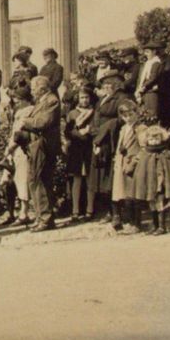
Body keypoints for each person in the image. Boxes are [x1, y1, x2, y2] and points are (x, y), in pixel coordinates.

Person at [19, 75, 61, 232]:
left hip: (43, 145)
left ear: (42, 88)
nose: (32, 91)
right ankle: (42, 217)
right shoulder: (42, 101)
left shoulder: (51, 100)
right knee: (36, 181)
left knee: (39, 181)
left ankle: (45, 218)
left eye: (34, 88)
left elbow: (43, 122)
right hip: (36, 144)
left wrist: (25, 121)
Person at [132, 125, 170, 235]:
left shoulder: (165, 153)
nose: (154, 141)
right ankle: (155, 226)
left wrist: (165, 182)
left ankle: (162, 227)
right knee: (152, 204)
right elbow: (141, 170)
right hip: (149, 184)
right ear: (147, 139)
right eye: (151, 139)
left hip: (160, 184)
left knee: (160, 203)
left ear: (161, 138)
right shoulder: (146, 153)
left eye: (156, 138)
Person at [89, 70, 129, 222]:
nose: (105, 86)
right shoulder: (102, 100)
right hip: (99, 139)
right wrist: (94, 130)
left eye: (108, 83)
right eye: (104, 83)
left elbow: (121, 119)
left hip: (112, 140)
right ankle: (108, 211)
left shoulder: (122, 98)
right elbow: (96, 116)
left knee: (112, 177)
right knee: (101, 177)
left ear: (116, 84)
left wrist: (105, 128)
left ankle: (117, 213)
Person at [0, 86, 34, 226]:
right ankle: (11, 212)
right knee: (7, 182)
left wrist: (8, 149)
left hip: (21, 149)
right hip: (14, 151)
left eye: (19, 99)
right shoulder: (19, 111)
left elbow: (18, 134)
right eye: (15, 99)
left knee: (21, 180)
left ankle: (24, 213)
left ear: (26, 100)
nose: (16, 102)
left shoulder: (28, 111)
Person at [111, 100, 146, 232]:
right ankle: (126, 221)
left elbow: (144, 148)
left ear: (136, 113)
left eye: (130, 114)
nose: (128, 118)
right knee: (123, 193)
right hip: (121, 162)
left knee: (134, 194)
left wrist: (134, 162)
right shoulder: (123, 128)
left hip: (132, 164)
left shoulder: (140, 128)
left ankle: (136, 223)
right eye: (125, 116)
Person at [64, 87, 95, 222]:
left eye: (87, 97)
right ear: (78, 98)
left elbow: (96, 128)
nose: (84, 100)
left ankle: (90, 210)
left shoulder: (94, 112)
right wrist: (79, 134)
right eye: (82, 97)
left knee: (90, 179)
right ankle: (75, 210)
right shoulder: (72, 114)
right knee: (76, 179)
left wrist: (89, 131)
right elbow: (67, 131)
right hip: (76, 149)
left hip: (90, 148)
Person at [135, 41, 163, 122]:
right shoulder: (147, 63)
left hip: (151, 91)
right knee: (144, 114)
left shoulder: (156, 62)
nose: (146, 54)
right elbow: (141, 78)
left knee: (151, 115)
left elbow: (153, 78)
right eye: (145, 52)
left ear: (154, 51)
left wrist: (143, 87)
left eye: (148, 52)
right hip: (145, 91)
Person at [158, 44, 170, 128]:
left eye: (160, 49)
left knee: (168, 111)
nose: (159, 51)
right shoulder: (158, 59)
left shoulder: (168, 59)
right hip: (159, 89)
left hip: (166, 88)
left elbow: (167, 72)